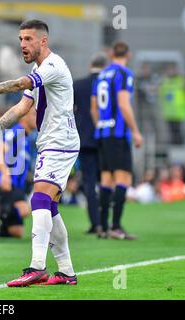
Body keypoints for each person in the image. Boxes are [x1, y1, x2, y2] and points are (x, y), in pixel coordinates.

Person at [0, 20, 79, 286]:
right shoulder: (40, 70)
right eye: (20, 39)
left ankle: (36, 266)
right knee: (49, 206)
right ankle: (66, 271)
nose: (23, 45)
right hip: (52, 142)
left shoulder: (52, 66)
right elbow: (22, 106)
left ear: (43, 41)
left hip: (60, 141)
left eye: (28, 39)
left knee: (38, 199)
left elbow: (19, 84)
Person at [90, 41, 143, 240]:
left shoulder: (102, 75)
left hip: (102, 133)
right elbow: (123, 104)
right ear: (127, 55)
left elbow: (94, 108)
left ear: (112, 54)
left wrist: (101, 125)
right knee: (123, 179)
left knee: (106, 179)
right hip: (118, 134)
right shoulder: (123, 74)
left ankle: (102, 227)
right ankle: (116, 226)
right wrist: (136, 131)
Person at [0, 107, 36, 238]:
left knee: (16, 232)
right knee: (24, 209)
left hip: (16, 188)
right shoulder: (16, 132)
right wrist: (5, 174)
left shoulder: (27, 139)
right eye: (34, 114)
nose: (37, 118)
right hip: (3, 185)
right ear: (24, 116)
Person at [73, 53, 108, 234]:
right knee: (106, 181)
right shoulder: (108, 85)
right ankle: (106, 222)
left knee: (89, 182)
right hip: (106, 138)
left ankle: (95, 223)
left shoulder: (78, 85)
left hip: (84, 138)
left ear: (90, 65)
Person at [159, 64, 185, 144]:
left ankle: (180, 144)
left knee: (178, 130)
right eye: (169, 70)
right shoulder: (165, 81)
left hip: (178, 111)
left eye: (172, 69)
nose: (170, 72)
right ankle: (174, 143)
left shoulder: (181, 80)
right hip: (169, 111)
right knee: (171, 130)